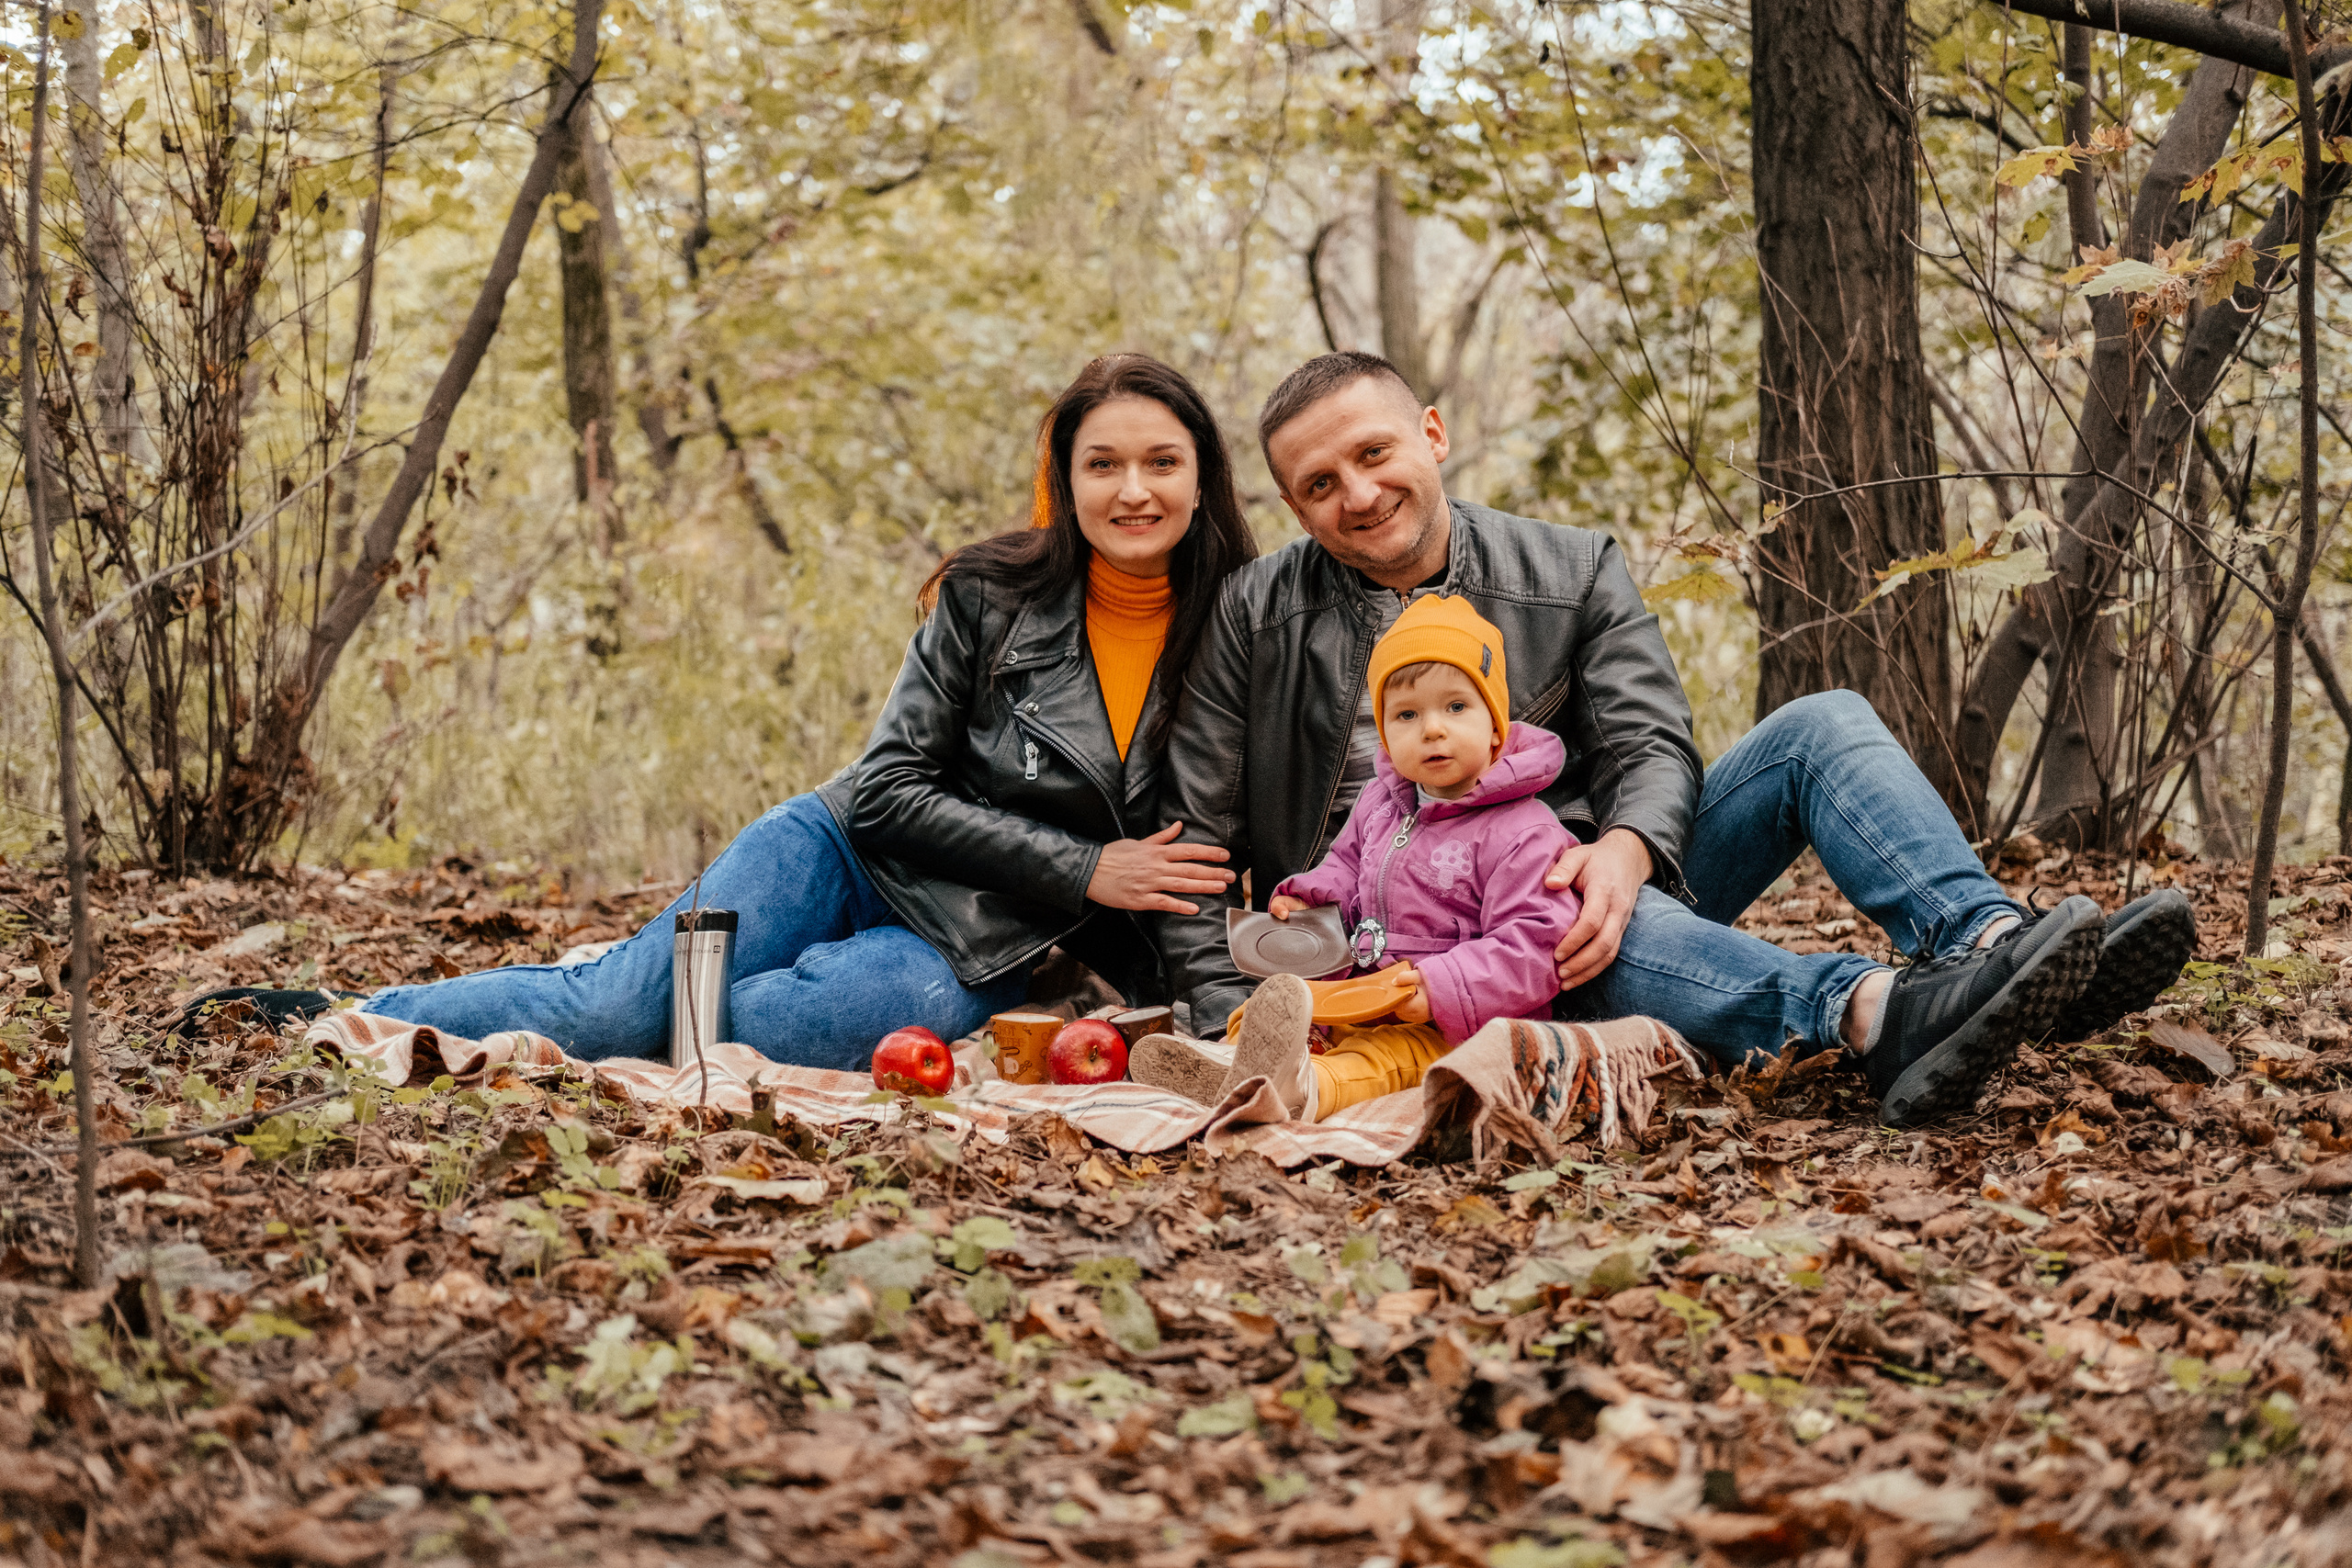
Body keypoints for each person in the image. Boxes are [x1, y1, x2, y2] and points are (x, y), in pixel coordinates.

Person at [1153, 351, 2197, 1126]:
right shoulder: (1255, 610)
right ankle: (1884, 1017)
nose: (1358, 495)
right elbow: (1193, 832)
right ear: (1291, 504)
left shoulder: (1569, 568)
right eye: (1320, 485)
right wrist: (1223, 1011)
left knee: (1819, 725)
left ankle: (1988, 952)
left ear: (1430, 433)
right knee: (1561, 913)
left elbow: (1653, 741)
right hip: (1412, 945)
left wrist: (1626, 848)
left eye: (1372, 454)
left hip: (1578, 879)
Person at [199, 354, 1256, 1069]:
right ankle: (341, 1017)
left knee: (750, 1024)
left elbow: (1207, 859)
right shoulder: (991, 595)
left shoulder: (1233, 637)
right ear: (1064, 480)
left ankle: (649, 973)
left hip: (976, 942)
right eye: (1102, 463)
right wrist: (1084, 868)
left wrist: (1219, 1017)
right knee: (623, 1011)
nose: (1133, 491)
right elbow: (888, 789)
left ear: (1201, 476)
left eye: (1161, 461)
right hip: (839, 848)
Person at [1133, 592, 1582, 1120]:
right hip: (1361, 991)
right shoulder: (1383, 800)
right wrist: (1309, 899)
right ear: (1386, 735)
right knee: (1270, 1010)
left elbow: (1536, 941)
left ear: (1495, 727)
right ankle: (1230, 1061)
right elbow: (1346, 867)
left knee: (1383, 1061)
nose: (1432, 728)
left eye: (1456, 707)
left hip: (1452, 1024)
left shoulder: (1523, 830)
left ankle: (1306, 1089)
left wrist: (1442, 989)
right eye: (1407, 714)